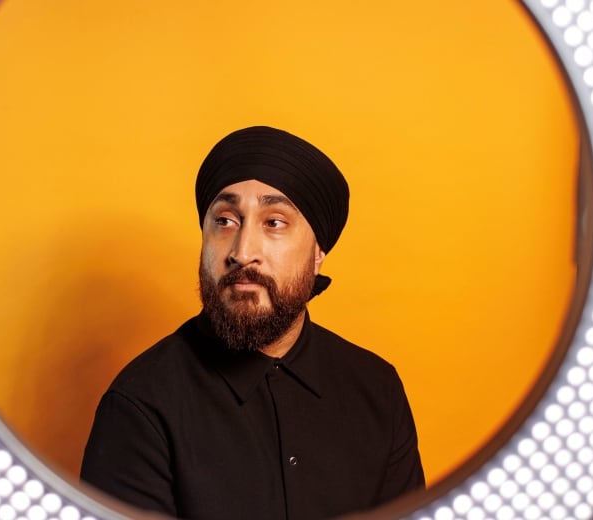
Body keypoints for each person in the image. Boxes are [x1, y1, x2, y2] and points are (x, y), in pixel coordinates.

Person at [80, 126, 424, 520]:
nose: (242, 253)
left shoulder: (377, 391)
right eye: (225, 221)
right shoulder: (141, 404)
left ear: (318, 254)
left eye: (274, 223)